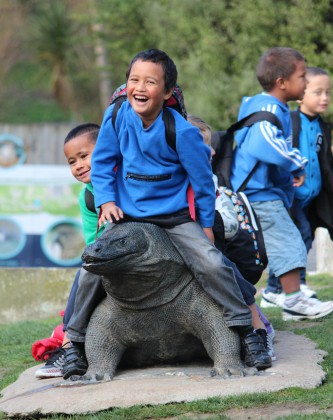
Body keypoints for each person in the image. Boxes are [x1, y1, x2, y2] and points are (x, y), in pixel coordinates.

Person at [90, 48, 271, 370]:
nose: (140, 88)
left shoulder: (182, 132)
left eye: (150, 82)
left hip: (174, 217)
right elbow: (103, 162)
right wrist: (107, 201)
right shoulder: (116, 115)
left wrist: (204, 227)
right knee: (90, 266)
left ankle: (247, 331)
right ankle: (73, 340)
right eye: (134, 80)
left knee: (211, 263)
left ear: (168, 92)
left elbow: (203, 184)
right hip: (127, 214)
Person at [230, 47, 333, 321]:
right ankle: (294, 300)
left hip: (263, 192)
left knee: (284, 243)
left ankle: (286, 298)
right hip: (260, 194)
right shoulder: (268, 108)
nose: (307, 83)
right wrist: (296, 162)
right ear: (282, 83)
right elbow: (262, 143)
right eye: (302, 77)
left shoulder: (267, 106)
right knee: (288, 242)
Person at [187, 114, 276, 360]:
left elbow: (227, 226)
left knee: (224, 269)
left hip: (210, 244)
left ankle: (258, 329)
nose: (212, 153)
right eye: (205, 146)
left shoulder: (209, 182)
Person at [35, 123, 105, 379]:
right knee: (85, 273)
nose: (78, 165)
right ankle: (69, 345)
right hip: (108, 252)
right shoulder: (86, 197)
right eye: (72, 161)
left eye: (84, 156)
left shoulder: (125, 179)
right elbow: (92, 239)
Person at [262, 67, 333, 308]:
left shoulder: (324, 127)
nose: (324, 98)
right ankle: (298, 285)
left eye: (328, 93)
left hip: (313, 197)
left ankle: (272, 290)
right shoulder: (290, 121)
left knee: (305, 237)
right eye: (318, 92)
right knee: (298, 236)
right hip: (291, 196)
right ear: (302, 94)